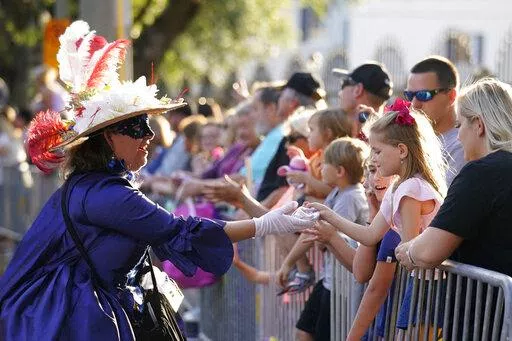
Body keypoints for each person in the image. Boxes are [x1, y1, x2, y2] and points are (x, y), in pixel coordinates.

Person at [0, 21, 316, 341]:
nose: (150, 136)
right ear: (109, 137)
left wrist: (270, 218)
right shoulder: (106, 194)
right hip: (74, 321)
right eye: (138, 128)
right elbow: (177, 229)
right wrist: (267, 224)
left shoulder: (94, 184)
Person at [307, 98, 447, 333]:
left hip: (428, 286)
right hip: (420, 281)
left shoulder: (411, 189)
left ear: (402, 150)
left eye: (378, 150)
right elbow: (370, 235)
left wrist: (397, 251)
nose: (372, 158)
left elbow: (408, 249)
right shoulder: (399, 187)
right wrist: (329, 215)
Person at [395, 77, 512, 278]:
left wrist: (408, 250)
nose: (458, 136)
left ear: (478, 125)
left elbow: (429, 251)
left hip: (484, 306)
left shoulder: (480, 173)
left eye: (459, 125)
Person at [278, 137, 370, 341]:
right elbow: (315, 232)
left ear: (339, 171)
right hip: (329, 280)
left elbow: (323, 236)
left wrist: (321, 241)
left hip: (341, 286)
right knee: (304, 331)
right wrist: (289, 262)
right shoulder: (338, 192)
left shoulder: (351, 197)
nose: (319, 168)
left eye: (324, 164)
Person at [405, 56, 466, 186]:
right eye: (409, 96)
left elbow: (441, 201)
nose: (414, 104)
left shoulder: (461, 146)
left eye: (423, 95)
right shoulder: (412, 141)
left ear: (451, 96)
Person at [333, 62, 393, 139]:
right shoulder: (390, 137)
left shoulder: (363, 142)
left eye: (344, 84)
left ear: (358, 90)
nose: (340, 93)